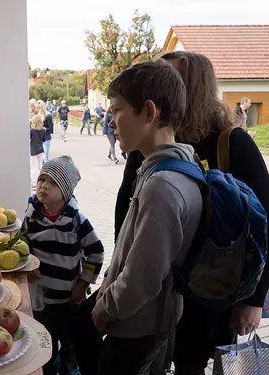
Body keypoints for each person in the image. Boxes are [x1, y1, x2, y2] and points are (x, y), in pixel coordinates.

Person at [115, 51, 269, 375]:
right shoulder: (149, 138)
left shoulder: (232, 143)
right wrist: (119, 274)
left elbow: (264, 223)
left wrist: (253, 300)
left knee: (191, 365)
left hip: (208, 293)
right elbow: (124, 208)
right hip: (154, 292)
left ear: (191, 88)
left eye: (166, 78)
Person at [91, 59, 203, 374]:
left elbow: (142, 279)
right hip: (148, 319)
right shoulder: (169, 166)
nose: (111, 122)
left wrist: (104, 311)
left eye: (117, 110)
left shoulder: (163, 185)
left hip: (136, 326)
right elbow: (136, 246)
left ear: (149, 112)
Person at [23, 155, 104, 375]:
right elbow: (23, 242)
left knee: (70, 341)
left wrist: (83, 283)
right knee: (45, 341)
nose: (44, 187)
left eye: (53, 183)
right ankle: (49, 367)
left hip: (69, 298)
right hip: (40, 297)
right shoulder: (31, 214)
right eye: (42, 180)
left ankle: (70, 368)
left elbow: (96, 253)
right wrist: (28, 262)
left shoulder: (76, 221)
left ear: (66, 192)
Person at [30, 115, 46, 189]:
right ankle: (41, 181)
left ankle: (34, 182)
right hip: (41, 150)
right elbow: (43, 140)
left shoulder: (31, 131)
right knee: (40, 166)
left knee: (33, 167)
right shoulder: (43, 130)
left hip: (33, 150)